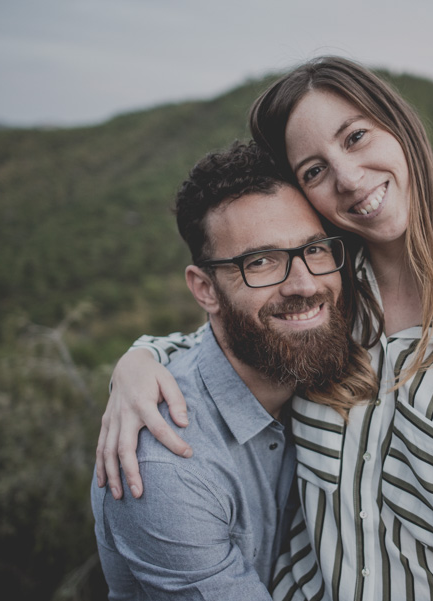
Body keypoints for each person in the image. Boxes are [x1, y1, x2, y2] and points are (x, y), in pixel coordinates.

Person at [97, 57, 433, 600]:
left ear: (401, 128)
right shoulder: (331, 284)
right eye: (313, 170)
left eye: (356, 137)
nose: (348, 177)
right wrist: (139, 362)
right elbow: (236, 336)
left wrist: (138, 356)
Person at [91, 141, 378, 599]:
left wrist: (139, 354)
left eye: (314, 249)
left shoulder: (321, 359)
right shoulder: (167, 469)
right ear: (205, 289)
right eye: (260, 262)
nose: (304, 284)